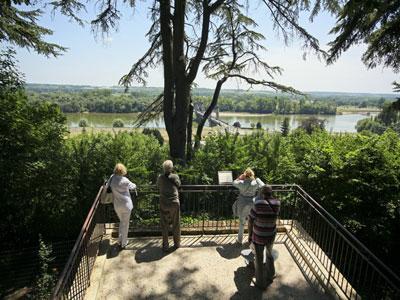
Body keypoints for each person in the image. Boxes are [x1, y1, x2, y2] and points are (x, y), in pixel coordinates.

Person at [248, 185, 281, 289]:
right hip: (271, 234)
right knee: (269, 254)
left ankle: (260, 282)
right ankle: (271, 275)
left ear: (262, 193)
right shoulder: (277, 203)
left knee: (258, 257)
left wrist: (249, 235)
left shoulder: (257, 204)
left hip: (259, 234)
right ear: (271, 193)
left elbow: (250, 220)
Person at [108, 163, 136, 250]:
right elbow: (133, 186)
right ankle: (123, 243)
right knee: (125, 224)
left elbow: (107, 186)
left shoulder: (112, 178)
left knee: (121, 222)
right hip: (126, 205)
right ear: (123, 170)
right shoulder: (125, 180)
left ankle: (120, 240)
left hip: (117, 205)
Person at [232, 168, 264, 244]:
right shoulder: (255, 183)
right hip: (252, 204)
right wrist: (257, 179)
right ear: (252, 175)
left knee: (242, 222)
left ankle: (240, 240)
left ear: (244, 175)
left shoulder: (241, 182)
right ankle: (251, 240)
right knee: (252, 222)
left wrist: (240, 177)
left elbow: (233, 183)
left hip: (242, 203)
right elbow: (263, 185)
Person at [156, 160, 181, 252]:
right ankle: (177, 244)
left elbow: (157, 186)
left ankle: (165, 246)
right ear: (172, 168)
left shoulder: (160, 177)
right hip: (174, 203)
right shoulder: (175, 176)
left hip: (164, 203)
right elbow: (179, 185)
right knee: (176, 223)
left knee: (164, 225)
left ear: (163, 168)